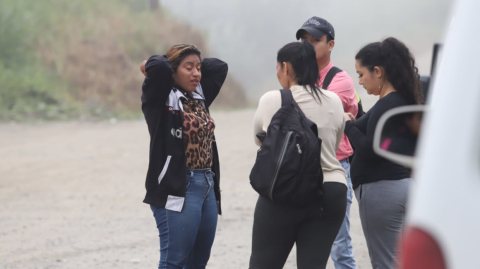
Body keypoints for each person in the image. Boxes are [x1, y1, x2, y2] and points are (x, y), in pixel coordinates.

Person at [249, 41, 347, 269]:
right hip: (330, 190)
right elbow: (335, 141)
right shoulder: (334, 100)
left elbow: (258, 137)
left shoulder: (272, 99)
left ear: (286, 67)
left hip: (285, 189)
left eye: (277, 68)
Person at [139, 44, 228, 269]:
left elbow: (220, 67)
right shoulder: (159, 97)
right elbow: (158, 67)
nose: (196, 73)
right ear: (172, 70)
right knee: (174, 262)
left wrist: (193, 62)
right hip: (178, 186)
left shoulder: (199, 94)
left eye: (198, 68)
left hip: (207, 186)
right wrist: (154, 63)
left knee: (198, 263)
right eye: (188, 68)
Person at [344, 37, 424, 269]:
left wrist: (347, 126)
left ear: (377, 71)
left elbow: (371, 149)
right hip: (405, 187)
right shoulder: (401, 101)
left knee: (386, 263)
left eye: (361, 74)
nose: (359, 81)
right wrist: (355, 122)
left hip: (381, 191)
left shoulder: (387, 105)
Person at [296, 16, 358, 269]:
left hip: (334, 166)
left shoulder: (339, 80)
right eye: (304, 40)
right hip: (303, 167)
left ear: (330, 44)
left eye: (316, 40)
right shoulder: (297, 75)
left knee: (339, 244)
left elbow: (311, 115)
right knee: (306, 240)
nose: (309, 46)